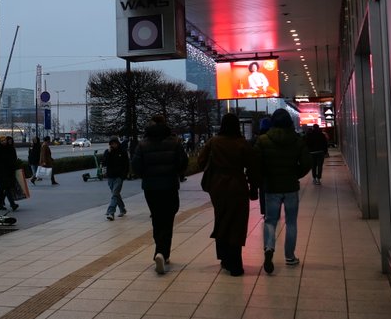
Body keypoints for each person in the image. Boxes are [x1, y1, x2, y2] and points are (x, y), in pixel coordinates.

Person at [198, 113, 260, 276]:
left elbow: (200, 162)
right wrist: (254, 189)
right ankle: (236, 263)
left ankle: (224, 258)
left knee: (221, 219)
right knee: (237, 223)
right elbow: (253, 167)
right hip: (238, 186)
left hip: (217, 187)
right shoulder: (242, 143)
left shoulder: (213, 142)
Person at [256, 108, 312, 273]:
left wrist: (265, 177)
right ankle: (290, 257)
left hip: (271, 187)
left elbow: (256, 163)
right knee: (291, 222)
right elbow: (307, 163)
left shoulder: (263, 140)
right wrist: (295, 174)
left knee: (270, 221)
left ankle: (269, 248)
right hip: (290, 187)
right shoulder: (297, 140)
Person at [132, 118, 188, 274]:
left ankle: (161, 252)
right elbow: (183, 162)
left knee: (156, 218)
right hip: (170, 186)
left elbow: (136, 166)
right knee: (168, 219)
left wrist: (146, 176)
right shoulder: (174, 142)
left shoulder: (143, 144)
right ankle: (162, 252)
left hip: (151, 188)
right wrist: (177, 173)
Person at [101, 136, 130, 221]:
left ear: (118, 143)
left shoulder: (123, 151)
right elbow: (104, 162)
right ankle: (122, 209)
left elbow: (126, 164)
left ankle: (111, 212)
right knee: (116, 194)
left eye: (115, 143)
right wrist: (108, 153)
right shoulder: (107, 152)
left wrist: (124, 175)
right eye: (112, 144)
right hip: (110, 176)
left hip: (119, 177)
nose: (114, 145)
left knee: (115, 193)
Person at [0, 135, 19, 212]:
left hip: (8, 171)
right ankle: (12, 204)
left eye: (4, 140)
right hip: (0, 172)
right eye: (2, 141)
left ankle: (0, 203)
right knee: (7, 188)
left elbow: (12, 159)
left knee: (2, 188)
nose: (4, 142)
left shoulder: (8, 148)